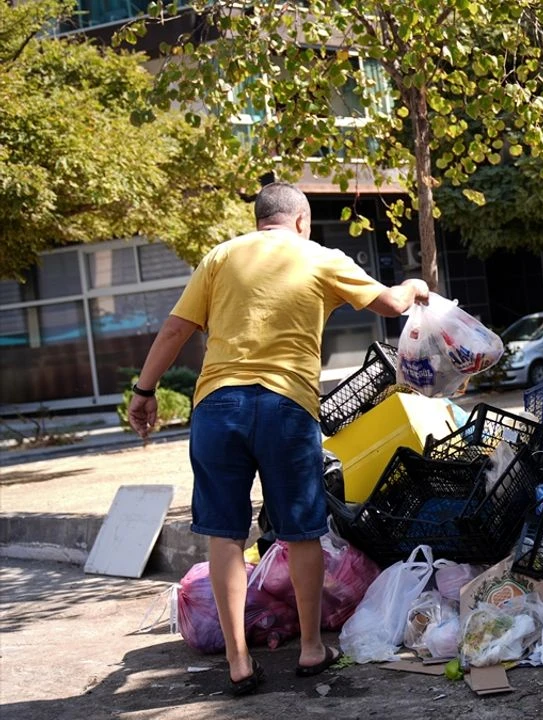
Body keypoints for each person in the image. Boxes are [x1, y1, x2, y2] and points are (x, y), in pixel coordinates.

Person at [127, 182, 430, 696]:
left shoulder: (221, 257)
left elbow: (175, 330)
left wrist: (144, 390)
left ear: (259, 220)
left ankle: (239, 661)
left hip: (217, 405)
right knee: (301, 529)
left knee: (224, 533)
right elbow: (388, 305)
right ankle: (312, 649)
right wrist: (415, 286)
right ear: (302, 220)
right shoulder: (320, 257)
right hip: (286, 406)